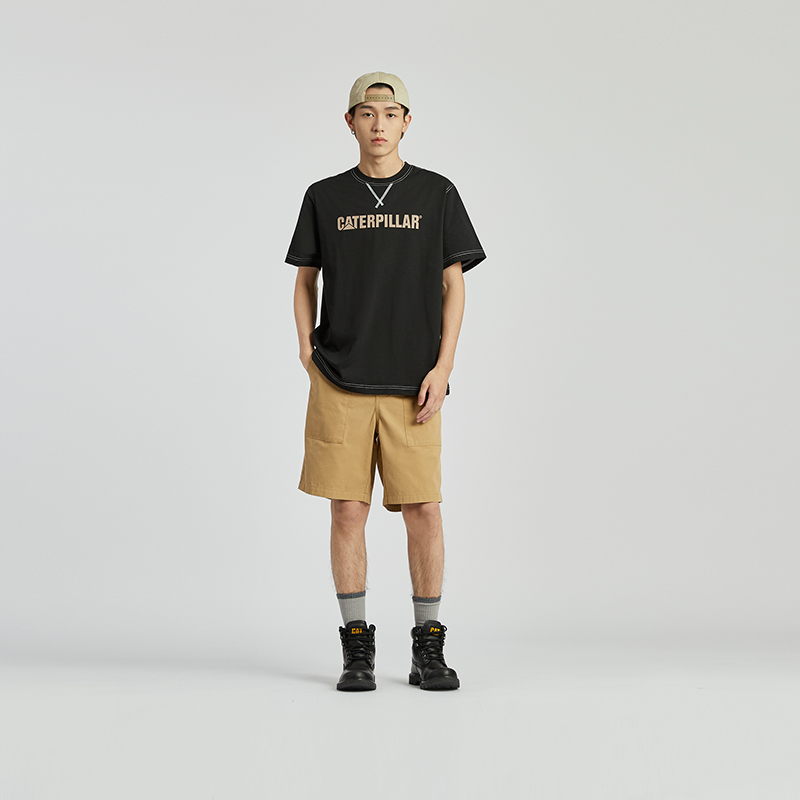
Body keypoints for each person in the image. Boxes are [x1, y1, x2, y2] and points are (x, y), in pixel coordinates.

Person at [286, 71, 485, 691]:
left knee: (423, 509)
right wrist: (306, 349)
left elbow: (454, 285)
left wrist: (443, 367)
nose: (379, 124)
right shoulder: (324, 196)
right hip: (340, 379)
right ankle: (356, 648)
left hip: (413, 383)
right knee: (348, 511)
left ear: (406, 122)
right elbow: (305, 280)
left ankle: (429, 647)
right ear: (350, 122)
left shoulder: (436, 193)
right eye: (367, 114)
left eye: (390, 113)